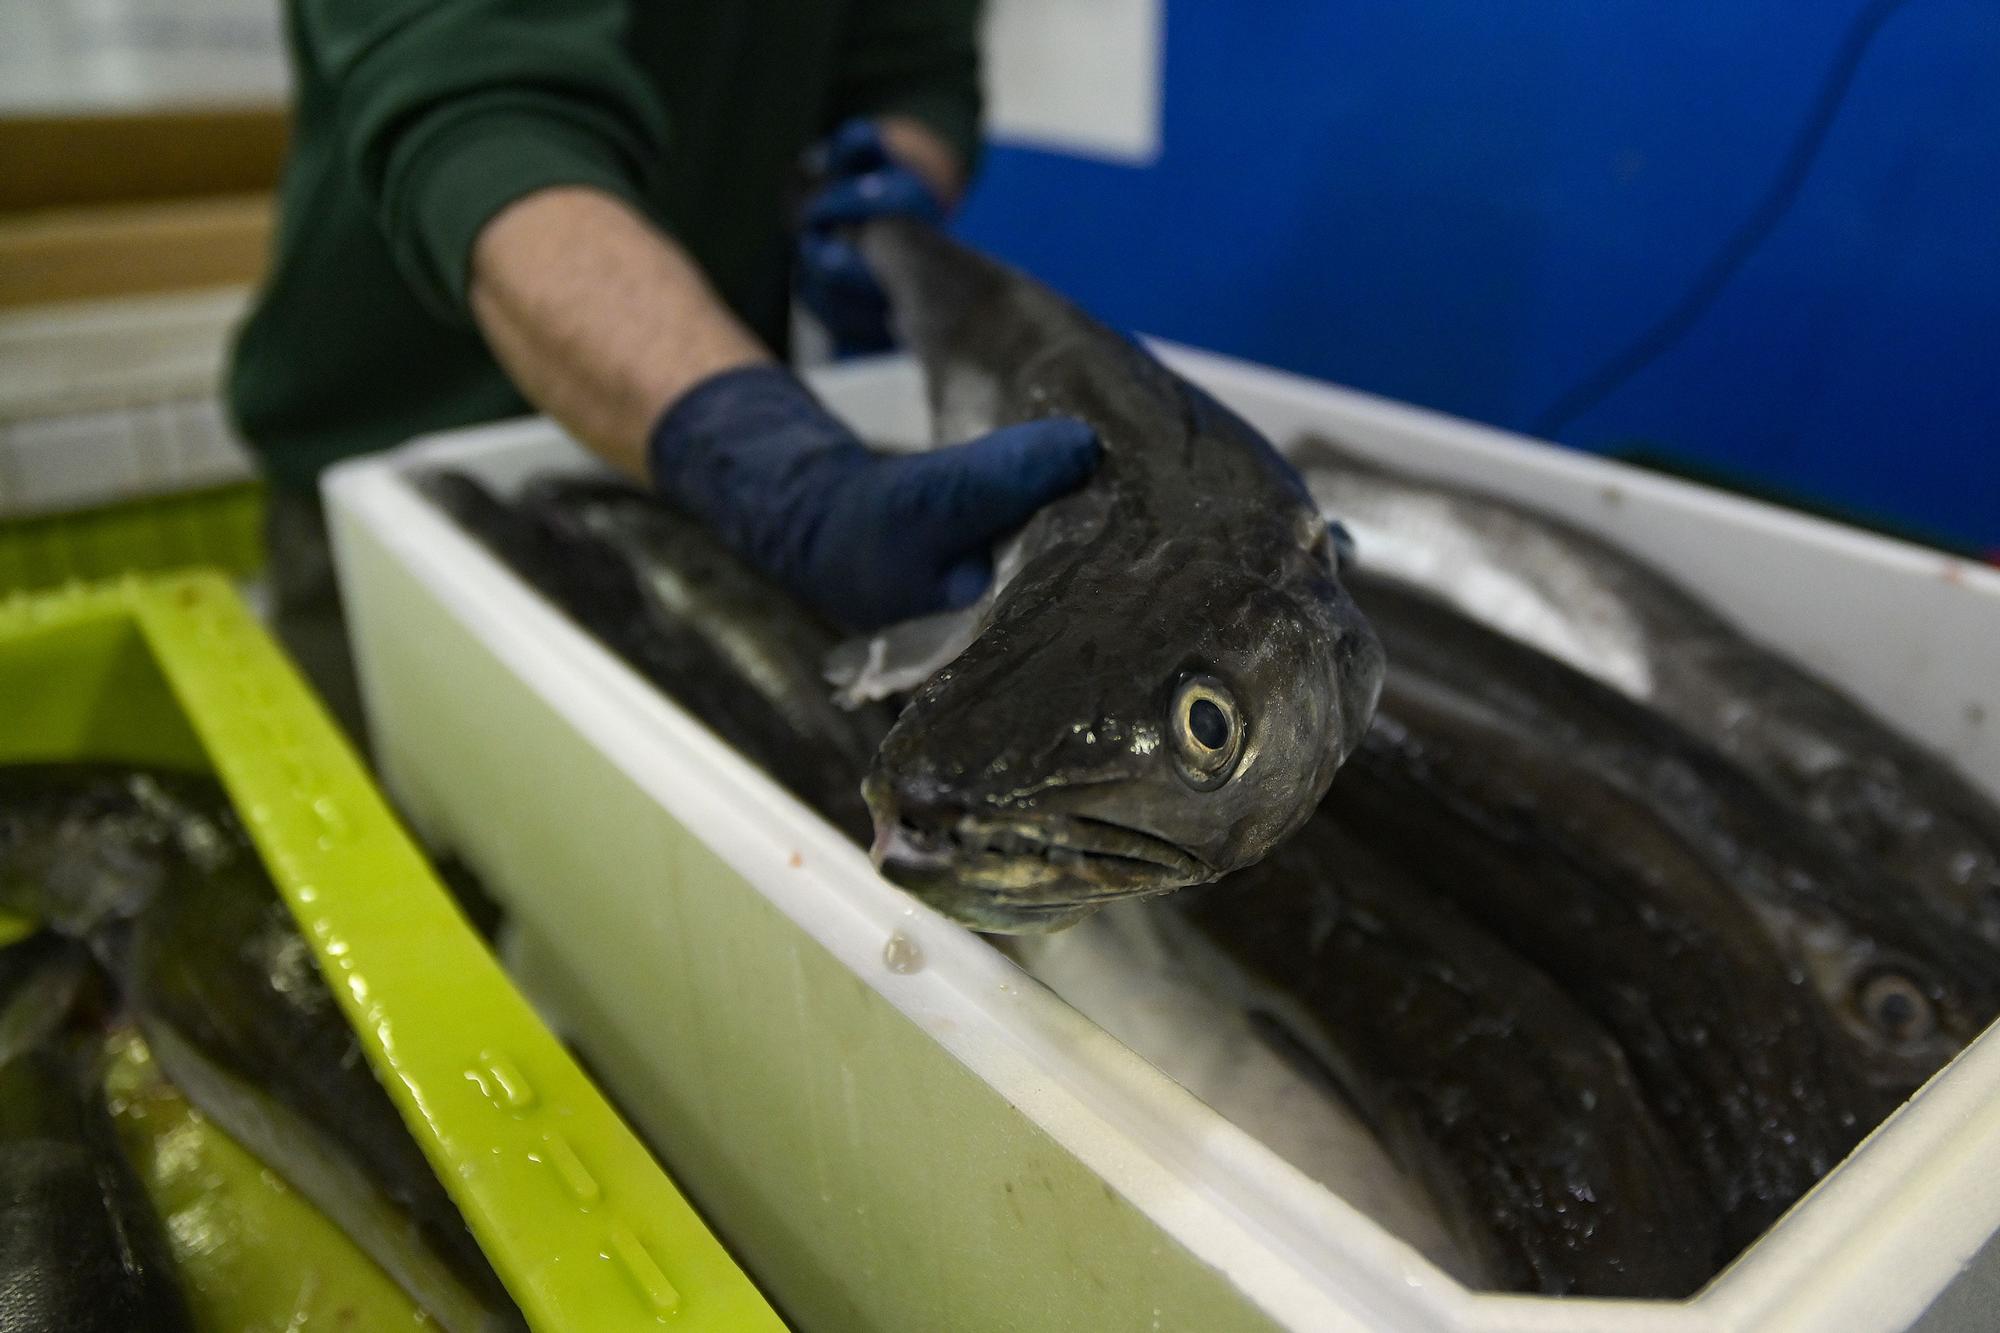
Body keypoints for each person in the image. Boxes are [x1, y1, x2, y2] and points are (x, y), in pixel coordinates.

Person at [228, 1, 1100, 734]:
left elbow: (917, 66)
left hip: (699, 475)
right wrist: (769, 463)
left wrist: (891, 174)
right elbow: (482, 119)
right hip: (400, 445)